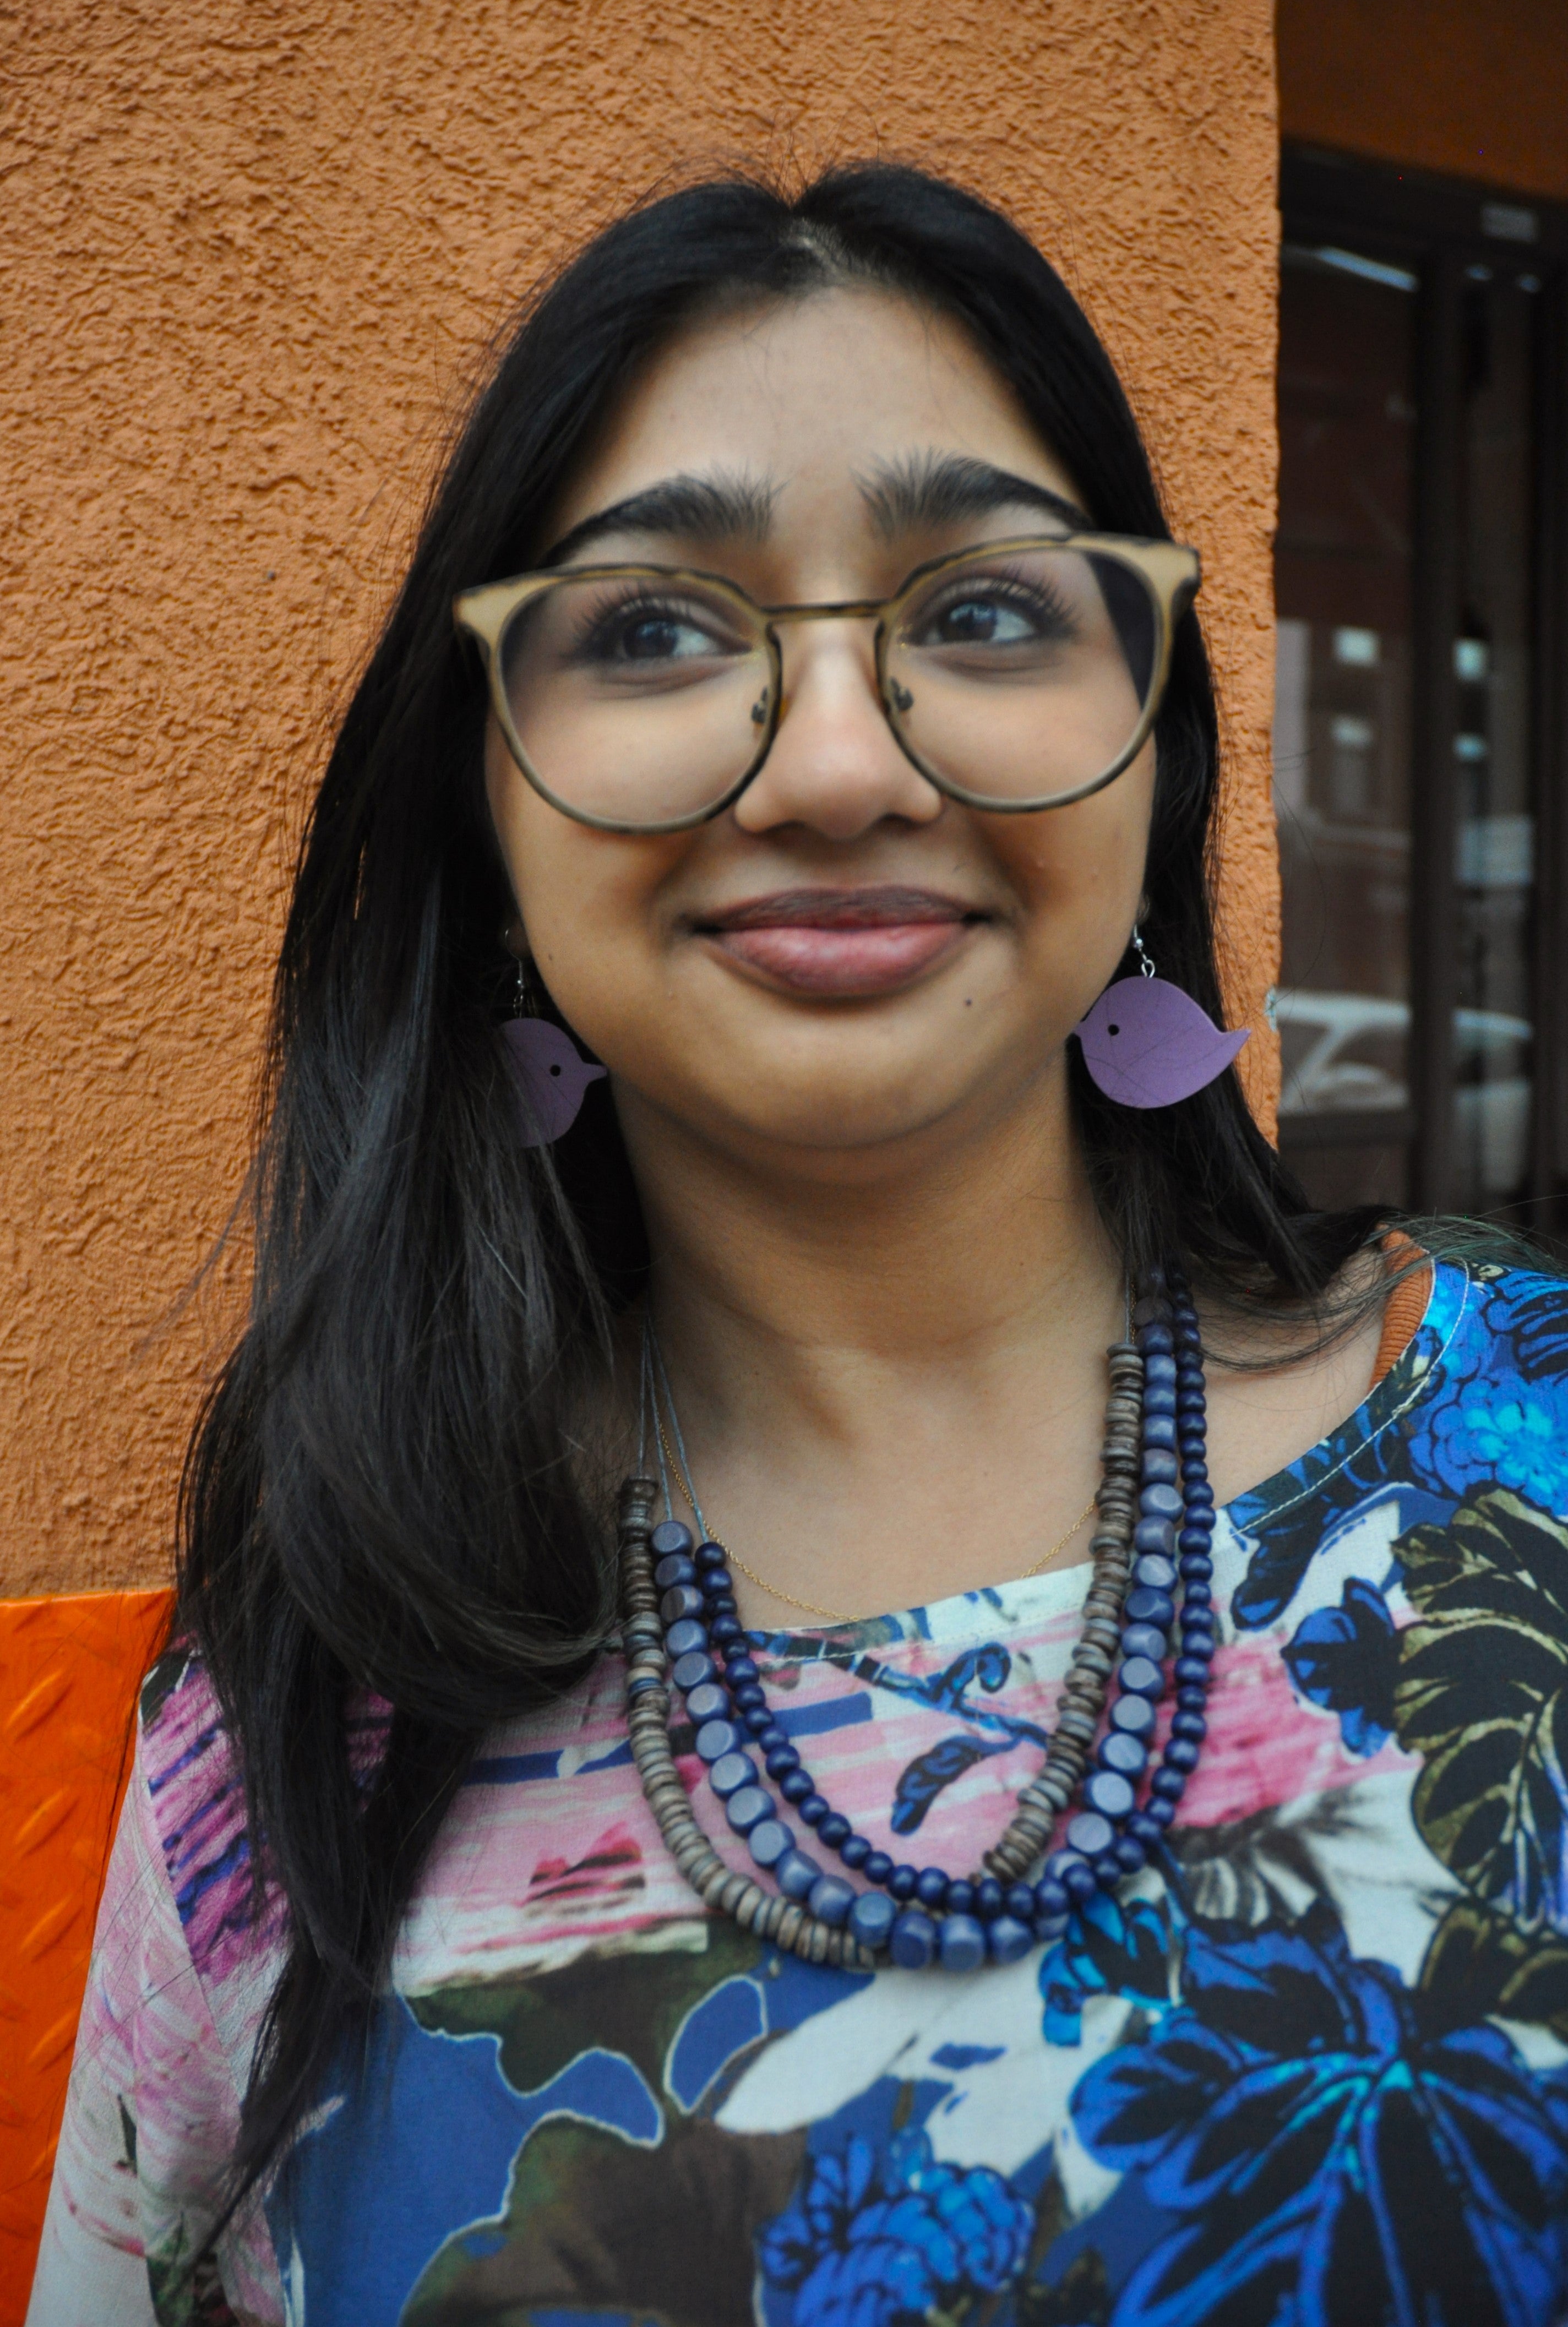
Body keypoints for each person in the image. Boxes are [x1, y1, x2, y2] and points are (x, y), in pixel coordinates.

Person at [29, 164, 1568, 2327]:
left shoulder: (1541, 1472)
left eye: (982, 612)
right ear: (486, 802)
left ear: (1154, 748)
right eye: (655, 625)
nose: (838, 764)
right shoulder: (322, 1674)